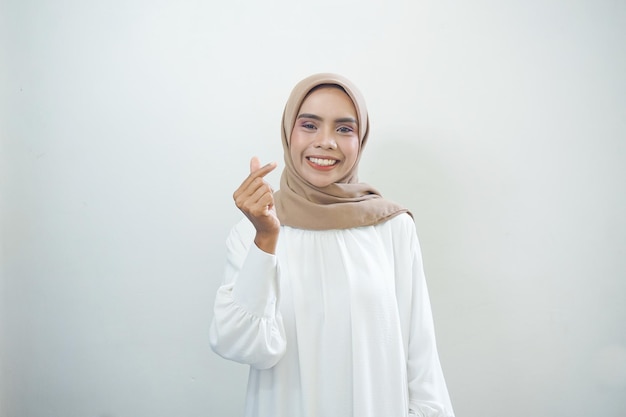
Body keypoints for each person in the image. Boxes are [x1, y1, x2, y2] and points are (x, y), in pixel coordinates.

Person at [209, 73, 454, 417]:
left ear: (361, 138)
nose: (326, 142)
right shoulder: (252, 230)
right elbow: (245, 346)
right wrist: (265, 238)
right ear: (288, 132)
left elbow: (421, 358)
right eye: (309, 125)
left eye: (344, 129)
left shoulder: (391, 227)